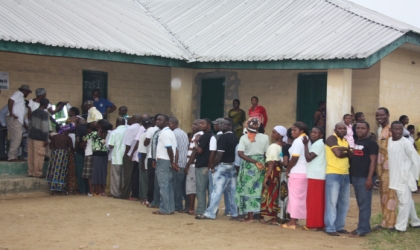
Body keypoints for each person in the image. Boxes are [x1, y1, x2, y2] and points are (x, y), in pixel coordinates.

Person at [196, 118, 239, 220]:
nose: (221, 126)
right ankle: (235, 213)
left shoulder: (223, 137)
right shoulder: (235, 137)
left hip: (222, 167)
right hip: (232, 166)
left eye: (224, 124)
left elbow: (219, 154)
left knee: (216, 191)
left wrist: (212, 166)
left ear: (229, 126)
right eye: (220, 124)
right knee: (232, 192)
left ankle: (210, 213)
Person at [388, 121, 420, 232]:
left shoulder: (406, 143)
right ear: (391, 130)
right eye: (395, 129)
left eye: (400, 129)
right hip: (394, 176)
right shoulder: (390, 141)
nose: (398, 131)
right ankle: (415, 221)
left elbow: (416, 160)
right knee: (408, 200)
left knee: (404, 202)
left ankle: (400, 227)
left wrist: (416, 178)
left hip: (404, 177)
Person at [348, 121, 378, 237]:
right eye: (358, 128)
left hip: (365, 177)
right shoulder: (358, 141)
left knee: (364, 204)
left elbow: (373, 161)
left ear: (368, 129)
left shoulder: (371, 143)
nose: (359, 130)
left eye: (363, 128)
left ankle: (363, 229)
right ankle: (363, 226)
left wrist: (369, 178)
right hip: (356, 176)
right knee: (361, 203)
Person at [236, 117, 269, 222]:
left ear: (247, 125)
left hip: (248, 164)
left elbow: (240, 154)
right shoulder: (265, 137)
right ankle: (259, 215)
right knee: (258, 189)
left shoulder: (244, 138)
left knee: (248, 189)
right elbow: (266, 153)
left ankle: (250, 217)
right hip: (261, 164)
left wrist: (254, 162)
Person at [324, 122, 351, 236]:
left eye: (344, 129)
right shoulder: (331, 138)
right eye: (340, 128)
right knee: (332, 202)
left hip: (345, 174)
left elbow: (349, 155)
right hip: (333, 173)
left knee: (344, 203)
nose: (342, 130)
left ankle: (339, 226)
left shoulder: (345, 141)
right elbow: (338, 154)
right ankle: (330, 227)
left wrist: (346, 150)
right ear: (335, 129)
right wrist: (348, 152)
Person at [282, 122, 310, 229]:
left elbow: (294, 158)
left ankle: (292, 221)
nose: (292, 132)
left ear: (302, 131)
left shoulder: (298, 141)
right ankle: (297, 219)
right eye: (292, 130)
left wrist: (288, 169)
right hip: (305, 172)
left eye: (295, 130)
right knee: (301, 197)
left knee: (294, 198)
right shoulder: (307, 139)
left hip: (297, 171)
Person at [375, 107, 397, 230]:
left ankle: (391, 224)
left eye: (382, 115)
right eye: (377, 115)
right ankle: (385, 221)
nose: (379, 117)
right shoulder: (381, 129)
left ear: (388, 115)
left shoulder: (391, 130)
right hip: (382, 169)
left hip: (390, 169)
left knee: (390, 196)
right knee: (384, 196)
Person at [152, 115, 179, 215]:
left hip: (163, 161)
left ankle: (164, 209)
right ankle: (170, 208)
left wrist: (172, 162)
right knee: (168, 186)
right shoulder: (170, 132)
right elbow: (175, 149)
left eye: (160, 120)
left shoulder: (164, 133)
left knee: (163, 185)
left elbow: (169, 149)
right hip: (167, 161)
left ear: (167, 122)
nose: (157, 121)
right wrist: (173, 162)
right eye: (157, 120)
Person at [260, 126, 287, 224]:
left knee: (270, 192)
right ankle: (277, 216)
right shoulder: (284, 146)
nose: (272, 134)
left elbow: (271, 162)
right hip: (279, 172)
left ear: (279, 135)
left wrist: (266, 176)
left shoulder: (273, 147)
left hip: (272, 172)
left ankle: (273, 216)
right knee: (278, 193)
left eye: (274, 132)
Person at [302, 126, 326, 230]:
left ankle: (313, 224)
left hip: (316, 176)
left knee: (314, 201)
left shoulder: (318, 144)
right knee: (317, 201)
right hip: (317, 175)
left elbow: (308, 158)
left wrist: (305, 145)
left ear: (321, 135)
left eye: (315, 133)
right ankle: (318, 223)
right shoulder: (319, 144)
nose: (312, 134)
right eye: (312, 132)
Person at [194, 118, 217, 216]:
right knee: (211, 190)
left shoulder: (204, 137)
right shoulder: (213, 136)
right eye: (199, 123)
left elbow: (199, 151)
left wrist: (196, 142)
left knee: (201, 189)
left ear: (208, 125)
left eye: (203, 124)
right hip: (209, 165)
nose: (200, 125)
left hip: (202, 165)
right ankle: (211, 210)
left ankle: (200, 210)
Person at [168, 117, 189, 213]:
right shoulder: (184, 133)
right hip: (184, 162)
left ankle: (178, 206)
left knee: (177, 186)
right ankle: (187, 206)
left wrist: (173, 162)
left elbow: (174, 150)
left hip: (178, 163)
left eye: (169, 124)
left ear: (173, 124)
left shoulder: (173, 134)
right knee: (183, 186)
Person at [122, 114, 145, 200]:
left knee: (128, 174)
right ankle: (135, 193)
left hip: (130, 154)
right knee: (135, 174)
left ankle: (125, 194)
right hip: (137, 155)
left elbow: (128, 143)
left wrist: (127, 154)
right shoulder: (140, 128)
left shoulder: (130, 129)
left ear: (132, 119)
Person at [6, 84, 32, 161]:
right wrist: (11, 113)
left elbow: (21, 113)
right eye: (28, 92)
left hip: (18, 120)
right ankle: (12, 156)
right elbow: (10, 100)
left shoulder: (21, 99)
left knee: (15, 137)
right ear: (25, 91)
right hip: (14, 119)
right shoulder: (18, 93)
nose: (28, 94)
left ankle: (14, 156)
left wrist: (24, 124)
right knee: (17, 137)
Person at [46, 125, 74, 194]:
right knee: (62, 171)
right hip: (63, 155)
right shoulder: (68, 138)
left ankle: (54, 190)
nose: (69, 132)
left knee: (54, 171)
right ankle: (62, 190)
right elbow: (71, 148)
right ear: (65, 131)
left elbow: (51, 146)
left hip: (55, 154)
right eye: (68, 131)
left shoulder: (54, 137)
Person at [84, 120, 108, 196]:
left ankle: (96, 191)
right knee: (103, 172)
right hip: (104, 154)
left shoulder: (93, 133)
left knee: (96, 173)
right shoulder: (107, 132)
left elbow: (84, 139)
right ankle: (102, 190)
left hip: (96, 154)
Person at [27, 98, 50, 178]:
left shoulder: (34, 112)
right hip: (40, 138)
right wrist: (45, 139)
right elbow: (44, 127)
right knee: (39, 156)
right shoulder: (44, 114)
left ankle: (31, 172)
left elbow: (30, 124)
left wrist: (30, 133)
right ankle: (37, 173)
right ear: (46, 104)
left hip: (31, 136)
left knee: (31, 155)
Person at [184, 119, 203, 215]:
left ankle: (191, 208)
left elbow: (194, 152)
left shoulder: (198, 135)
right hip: (194, 164)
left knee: (191, 186)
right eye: (193, 124)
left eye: (196, 124)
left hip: (192, 164)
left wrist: (188, 165)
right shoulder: (196, 135)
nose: (193, 126)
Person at [108, 118, 127, 198]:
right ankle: (124, 192)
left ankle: (116, 193)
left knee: (116, 176)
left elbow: (111, 145)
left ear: (116, 123)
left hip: (117, 157)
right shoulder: (128, 130)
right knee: (124, 176)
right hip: (126, 157)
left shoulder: (114, 132)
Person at [277, 128, 293, 223]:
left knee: (284, 194)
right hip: (296, 172)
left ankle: (282, 216)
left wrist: (278, 162)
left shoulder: (285, 147)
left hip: (285, 172)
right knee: (292, 195)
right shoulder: (298, 145)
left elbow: (285, 163)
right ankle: (291, 216)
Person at [137, 116, 153, 204]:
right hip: (153, 160)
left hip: (145, 160)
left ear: (142, 125)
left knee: (143, 180)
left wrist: (142, 163)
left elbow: (143, 151)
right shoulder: (156, 132)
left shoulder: (144, 135)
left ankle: (144, 197)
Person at [74, 117, 89, 195]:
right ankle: (88, 189)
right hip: (89, 153)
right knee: (88, 172)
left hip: (80, 152)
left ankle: (82, 190)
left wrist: (75, 150)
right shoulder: (89, 127)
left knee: (80, 171)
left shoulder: (78, 128)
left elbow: (77, 139)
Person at [82, 122, 96, 196]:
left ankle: (91, 191)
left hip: (89, 154)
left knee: (88, 175)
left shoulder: (88, 135)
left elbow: (83, 143)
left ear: (88, 129)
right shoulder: (98, 134)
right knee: (95, 173)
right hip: (96, 155)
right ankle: (96, 191)